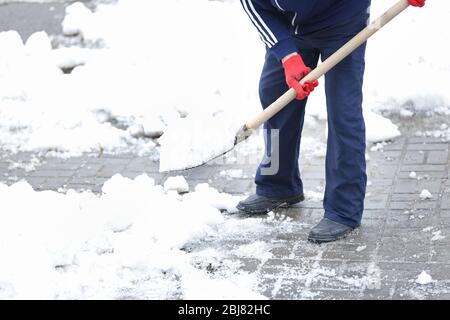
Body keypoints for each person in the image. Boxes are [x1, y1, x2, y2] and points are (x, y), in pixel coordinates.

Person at [237, 0, 426, 243]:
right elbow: (254, 6)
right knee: (274, 99)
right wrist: (287, 55)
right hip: (289, 28)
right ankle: (277, 185)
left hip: (342, 23)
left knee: (343, 111)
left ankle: (343, 210)